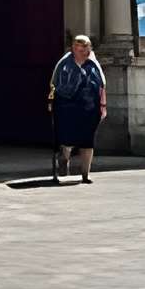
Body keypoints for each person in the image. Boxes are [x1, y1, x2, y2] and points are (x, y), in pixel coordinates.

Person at [47, 33, 106, 181]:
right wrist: (51, 103)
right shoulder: (64, 63)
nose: (84, 52)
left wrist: (103, 106)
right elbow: (54, 84)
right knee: (67, 140)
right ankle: (64, 158)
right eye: (80, 49)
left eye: (86, 48)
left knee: (87, 141)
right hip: (67, 107)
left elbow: (102, 86)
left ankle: (85, 175)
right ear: (73, 48)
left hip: (89, 107)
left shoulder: (94, 64)